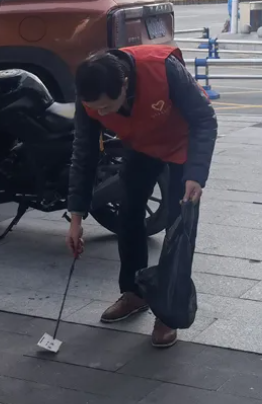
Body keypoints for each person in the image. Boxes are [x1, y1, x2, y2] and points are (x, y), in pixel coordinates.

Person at [66, 46, 218, 347]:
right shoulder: (89, 94)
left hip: (182, 144)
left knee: (178, 227)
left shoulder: (163, 70)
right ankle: (134, 292)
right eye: (96, 109)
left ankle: (168, 311)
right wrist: (76, 217)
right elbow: (84, 154)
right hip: (141, 146)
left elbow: (204, 119)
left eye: (106, 107)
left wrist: (195, 175)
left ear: (124, 84)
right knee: (128, 212)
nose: (102, 114)